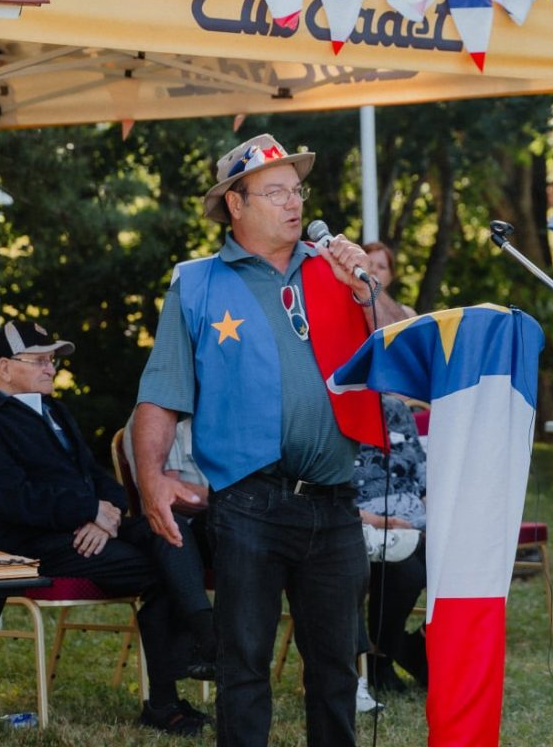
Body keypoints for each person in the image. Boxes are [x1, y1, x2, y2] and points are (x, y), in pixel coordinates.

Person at [134, 133, 412, 747]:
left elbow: (405, 352)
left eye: (297, 189)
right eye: (276, 191)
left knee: (337, 667)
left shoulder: (336, 272)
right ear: (235, 204)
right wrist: (152, 478)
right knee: (244, 667)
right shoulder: (198, 284)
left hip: (336, 499)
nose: (294, 203)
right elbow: (160, 392)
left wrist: (366, 284)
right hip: (250, 502)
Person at [0, 319, 214, 735]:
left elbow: (94, 475)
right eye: (38, 360)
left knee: (168, 529)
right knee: (162, 567)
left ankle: (201, 648)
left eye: (52, 360)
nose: (50, 368)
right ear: (3, 367)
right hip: (28, 544)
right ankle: (182, 677)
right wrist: (88, 510)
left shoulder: (55, 409)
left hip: (83, 529)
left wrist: (107, 512)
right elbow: (11, 499)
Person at [354, 390, 428, 695]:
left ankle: (413, 645)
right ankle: (382, 659)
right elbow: (329, 489)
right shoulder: (330, 406)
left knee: (462, 564)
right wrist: (382, 522)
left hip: (415, 520)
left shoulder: (395, 408)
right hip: (362, 522)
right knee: (406, 571)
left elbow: (422, 472)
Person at [362, 241, 417, 318]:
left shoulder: (408, 314)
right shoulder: (345, 305)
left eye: (381, 267)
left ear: (391, 276)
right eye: (369, 264)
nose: (374, 270)